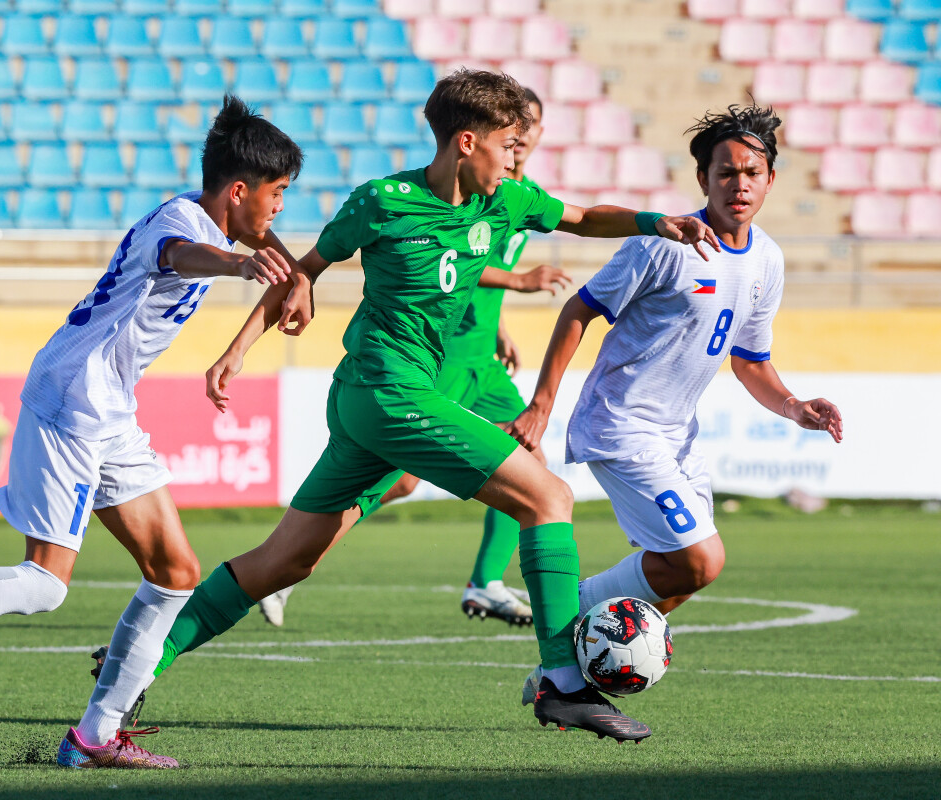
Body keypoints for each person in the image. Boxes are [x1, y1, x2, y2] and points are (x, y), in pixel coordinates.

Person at [144, 70, 721, 748]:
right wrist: (240, 347)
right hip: (386, 392)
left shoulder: (504, 201)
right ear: (466, 142)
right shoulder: (382, 202)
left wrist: (661, 222)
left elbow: (583, 218)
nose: (517, 159)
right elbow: (303, 269)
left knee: (285, 560)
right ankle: (565, 683)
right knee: (546, 497)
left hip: (383, 406)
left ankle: (135, 663)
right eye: (509, 146)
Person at [0, 95, 305, 771]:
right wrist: (239, 266)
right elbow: (180, 254)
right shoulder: (183, 224)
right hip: (74, 399)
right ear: (241, 190)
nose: (280, 211)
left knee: (175, 573)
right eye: (277, 195)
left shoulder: (220, 214)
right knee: (45, 584)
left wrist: (286, 270)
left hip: (108, 407)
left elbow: (251, 238)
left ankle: (95, 735)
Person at [508, 103, 842, 701]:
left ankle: (558, 672)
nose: (739, 184)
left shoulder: (767, 259)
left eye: (752, 172)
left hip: (677, 435)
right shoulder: (662, 245)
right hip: (621, 425)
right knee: (701, 558)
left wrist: (794, 406)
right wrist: (542, 403)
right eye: (725, 172)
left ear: (770, 179)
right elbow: (579, 309)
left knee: (679, 577)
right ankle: (566, 611)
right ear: (703, 180)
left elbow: (749, 360)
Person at [254, 88, 571, 630]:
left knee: (532, 466)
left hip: (483, 359)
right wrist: (517, 283)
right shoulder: (469, 188)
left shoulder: (514, 194)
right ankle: (282, 571)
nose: (525, 137)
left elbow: (458, 268)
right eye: (517, 129)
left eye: (531, 128)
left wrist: (499, 325)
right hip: (436, 359)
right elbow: (436, 259)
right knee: (394, 481)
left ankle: (487, 581)